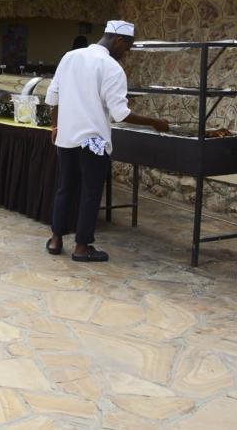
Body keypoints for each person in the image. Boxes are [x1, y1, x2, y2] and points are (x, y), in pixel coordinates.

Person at [45, 21, 169, 262]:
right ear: (119, 40)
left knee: (65, 188)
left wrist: (54, 125)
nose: (126, 55)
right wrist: (155, 122)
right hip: (94, 141)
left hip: (67, 137)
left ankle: (55, 240)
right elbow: (121, 114)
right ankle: (81, 247)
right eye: (127, 49)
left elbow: (53, 96)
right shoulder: (111, 68)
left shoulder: (70, 56)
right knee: (91, 192)